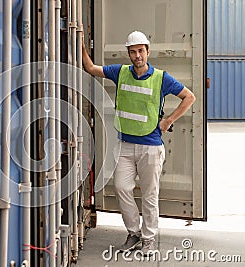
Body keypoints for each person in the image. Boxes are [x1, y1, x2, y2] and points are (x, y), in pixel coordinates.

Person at [82, 31, 196, 255]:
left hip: (151, 147)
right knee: (122, 188)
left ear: (148, 51)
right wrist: (80, 43)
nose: (137, 55)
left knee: (149, 195)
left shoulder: (161, 78)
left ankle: (148, 239)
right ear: (128, 54)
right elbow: (91, 69)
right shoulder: (120, 72)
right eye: (133, 52)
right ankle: (134, 232)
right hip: (125, 144)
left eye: (140, 51)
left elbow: (189, 97)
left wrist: (169, 120)